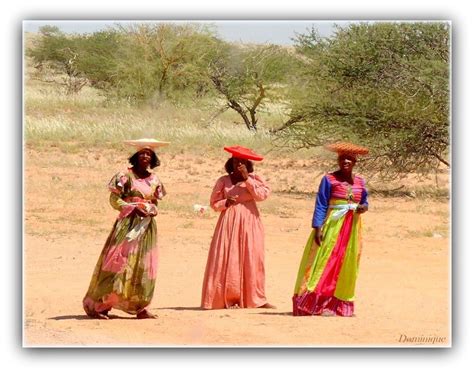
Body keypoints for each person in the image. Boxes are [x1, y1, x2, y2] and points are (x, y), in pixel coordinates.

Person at [82, 138, 169, 319]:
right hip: (127, 225)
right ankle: (101, 305)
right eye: (142, 153)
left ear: (153, 159)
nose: (145, 156)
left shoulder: (155, 180)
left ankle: (139, 305)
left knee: (143, 264)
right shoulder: (125, 176)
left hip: (146, 227)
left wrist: (151, 209)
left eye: (149, 154)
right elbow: (114, 200)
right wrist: (132, 207)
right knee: (117, 262)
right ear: (136, 156)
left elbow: (154, 202)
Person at [292, 142, 369, 317]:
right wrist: (318, 226)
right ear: (338, 160)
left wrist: (363, 207)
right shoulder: (329, 179)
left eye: (349, 159)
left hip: (352, 229)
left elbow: (365, 201)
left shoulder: (360, 182)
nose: (346, 161)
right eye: (342, 158)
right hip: (333, 225)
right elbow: (321, 204)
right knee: (323, 261)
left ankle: (337, 304)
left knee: (345, 264)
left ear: (355, 162)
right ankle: (314, 302)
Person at [201, 145, 275, 310]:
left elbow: (262, 195)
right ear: (231, 163)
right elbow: (214, 203)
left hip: (250, 221)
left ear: (247, 164)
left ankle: (256, 299)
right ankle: (226, 298)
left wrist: (246, 179)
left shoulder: (255, 179)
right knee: (227, 256)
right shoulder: (223, 181)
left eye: (242, 162)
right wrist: (226, 202)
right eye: (236, 161)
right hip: (228, 222)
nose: (238, 165)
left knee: (253, 256)